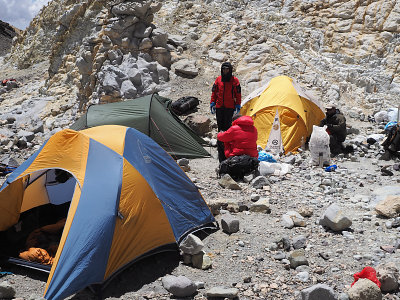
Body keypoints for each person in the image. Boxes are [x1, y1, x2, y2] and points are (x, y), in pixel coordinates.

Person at [210, 62, 242, 162]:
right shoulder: (218, 79)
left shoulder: (235, 80)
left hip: (230, 107)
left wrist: (238, 104)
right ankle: (221, 151)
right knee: (220, 129)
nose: (225, 71)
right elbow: (214, 92)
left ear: (230, 70)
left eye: (227, 69)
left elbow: (238, 93)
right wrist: (212, 102)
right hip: (219, 107)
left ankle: (227, 150)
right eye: (223, 69)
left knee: (228, 129)